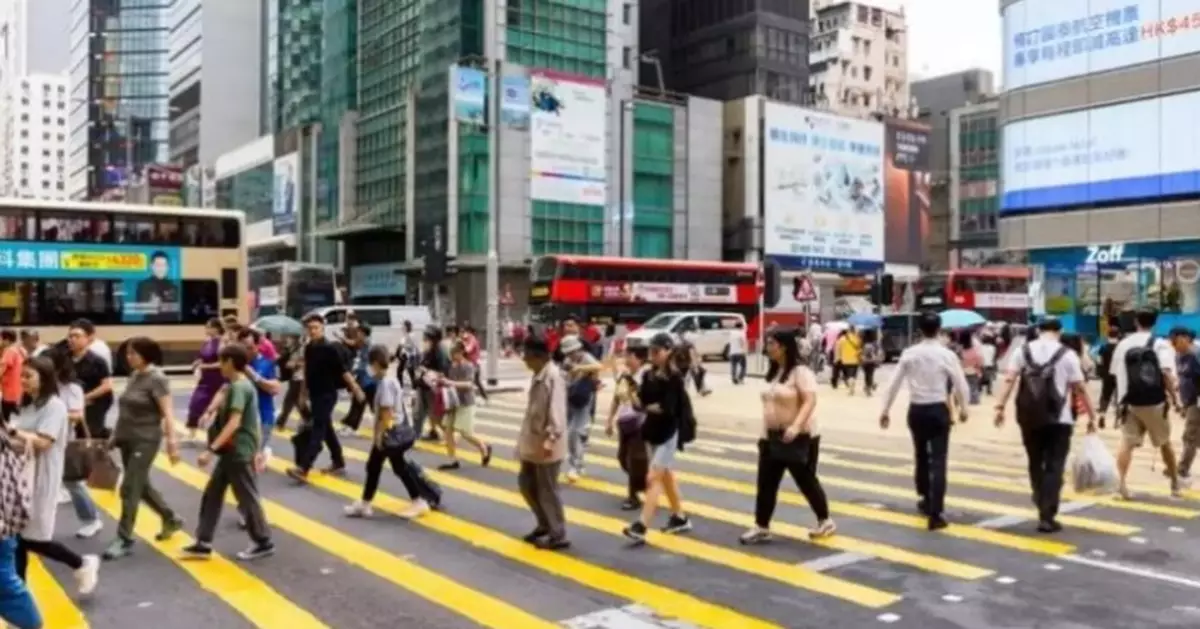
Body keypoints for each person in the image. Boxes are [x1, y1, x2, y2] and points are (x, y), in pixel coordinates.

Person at [992, 318, 1096, 533]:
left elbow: (1009, 380)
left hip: (1029, 416)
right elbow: (1080, 388)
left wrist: (1000, 407)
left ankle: (1040, 499)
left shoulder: (1022, 351)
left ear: (1038, 330)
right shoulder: (1067, 354)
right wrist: (1093, 415)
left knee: (1035, 461)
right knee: (1055, 465)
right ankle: (1047, 513)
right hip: (1060, 418)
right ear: (1059, 331)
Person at [9, 356, 100, 593]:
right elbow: (20, 440)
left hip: (42, 477)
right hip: (22, 476)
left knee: (34, 539)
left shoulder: (55, 406)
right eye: (22, 375)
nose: (23, 381)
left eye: (29, 376)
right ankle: (20, 589)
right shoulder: (29, 404)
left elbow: (43, 442)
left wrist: (12, 431)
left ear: (45, 378)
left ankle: (82, 563)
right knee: (18, 536)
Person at [741, 327, 835, 544]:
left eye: (771, 343)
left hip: (800, 436)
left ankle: (825, 520)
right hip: (771, 437)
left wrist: (795, 426)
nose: (767, 348)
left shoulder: (800, 372)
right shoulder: (775, 372)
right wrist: (764, 434)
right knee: (766, 483)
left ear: (783, 347)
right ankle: (761, 526)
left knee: (806, 481)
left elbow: (810, 400)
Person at [182, 344, 275, 561]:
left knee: (247, 498)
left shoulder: (240, 388)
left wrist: (210, 451)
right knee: (213, 494)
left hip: (237, 451)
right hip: (232, 451)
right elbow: (225, 394)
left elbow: (235, 423)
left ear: (231, 362)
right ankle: (203, 541)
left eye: (222, 361)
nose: (220, 366)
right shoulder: (234, 385)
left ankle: (263, 541)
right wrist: (210, 411)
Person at [879, 311, 969, 531]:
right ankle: (936, 513)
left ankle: (924, 498)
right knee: (939, 460)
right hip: (938, 409)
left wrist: (885, 409)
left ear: (920, 330)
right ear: (939, 329)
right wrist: (964, 408)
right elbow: (960, 383)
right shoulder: (946, 355)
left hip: (917, 410)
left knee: (920, 455)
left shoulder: (910, 353)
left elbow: (894, 383)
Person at [103, 337, 185, 560]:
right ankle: (170, 517)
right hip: (127, 438)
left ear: (146, 355)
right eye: (127, 354)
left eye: (133, 354)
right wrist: (114, 436)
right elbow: (125, 410)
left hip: (145, 439)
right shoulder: (135, 376)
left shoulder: (157, 378)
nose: (129, 358)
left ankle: (124, 538)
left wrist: (172, 442)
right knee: (142, 485)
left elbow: (167, 412)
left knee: (130, 488)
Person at [344, 345, 442, 520]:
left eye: (369, 364)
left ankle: (417, 501)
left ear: (374, 363)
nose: (368, 368)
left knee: (386, 467)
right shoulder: (388, 380)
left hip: (390, 433)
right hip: (391, 432)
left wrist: (379, 436)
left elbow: (386, 413)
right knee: (382, 467)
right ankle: (366, 503)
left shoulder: (387, 383)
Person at [622, 333, 694, 543]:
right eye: (651, 352)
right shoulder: (649, 375)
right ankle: (679, 517)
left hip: (669, 433)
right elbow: (641, 403)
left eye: (657, 351)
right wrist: (643, 402)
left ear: (668, 351)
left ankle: (641, 525)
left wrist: (648, 406)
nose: (653, 356)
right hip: (652, 431)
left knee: (653, 478)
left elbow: (668, 409)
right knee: (666, 476)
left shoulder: (674, 377)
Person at [1110, 308, 1183, 498]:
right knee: (1165, 443)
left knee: (1127, 443)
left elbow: (1114, 375)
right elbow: (1167, 374)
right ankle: (1175, 483)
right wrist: (1175, 400)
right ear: (1155, 323)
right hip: (1154, 402)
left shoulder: (1123, 344)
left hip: (1129, 401)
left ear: (1135, 322)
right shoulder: (1160, 345)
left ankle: (1121, 484)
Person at [286, 313, 365, 483]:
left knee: (318, 429)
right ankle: (338, 461)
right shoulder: (309, 348)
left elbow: (343, 371)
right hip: (315, 394)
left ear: (322, 329)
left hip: (327, 394)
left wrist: (356, 389)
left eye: (316, 328)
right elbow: (307, 371)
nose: (313, 331)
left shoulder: (330, 349)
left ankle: (304, 468)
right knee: (327, 429)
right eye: (310, 328)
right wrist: (302, 394)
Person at [515, 335, 570, 551]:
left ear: (537, 356)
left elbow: (557, 412)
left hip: (547, 444)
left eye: (526, 354)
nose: (524, 359)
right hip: (533, 443)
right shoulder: (539, 374)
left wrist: (551, 439)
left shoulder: (553, 377)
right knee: (526, 483)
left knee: (547, 489)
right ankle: (544, 524)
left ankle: (558, 533)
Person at [47, 349, 102, 540]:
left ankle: (92, 519)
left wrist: (53, 414)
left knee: (72, 483)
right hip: (42, 441)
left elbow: (77, 415)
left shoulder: (72, 388)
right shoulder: (44, 385)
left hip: (64, 441)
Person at [606, 346, 650, 510]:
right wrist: (610, 419)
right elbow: (616, 398)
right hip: (624, 422)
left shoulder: (646, 377)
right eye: (625, 356)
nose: (626, 359)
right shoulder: (624, 377)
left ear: (639, 359)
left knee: (635, 460)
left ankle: (633, 496)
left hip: (640, 423)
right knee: (622, 458)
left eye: (630, 356)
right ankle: (645, 482)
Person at [437, 342, 493, 470]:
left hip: (466, 402)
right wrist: (441, 380)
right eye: (451, 354)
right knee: (448, 430)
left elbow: (468, 384)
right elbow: (450, 382)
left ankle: (484, 447)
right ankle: (453, 460)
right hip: (453, 402)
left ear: (461, 352)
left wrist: (450, 382)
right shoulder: (452, 367)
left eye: (454, 354)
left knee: (465, 433)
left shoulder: (468, 366)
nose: (452, 357)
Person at [560, 334, 603, 482]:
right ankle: (579, 463)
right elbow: (564, 377)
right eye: (568, 353)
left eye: (572, 352)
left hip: (584, 399)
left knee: (574, 432)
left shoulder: (585, 357)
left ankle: (575, 466)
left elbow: (598, 366)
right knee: (573, 432)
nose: (571, 355)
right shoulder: (567, 361)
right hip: (571, 397)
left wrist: (580, 368)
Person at [67, 320, 113, 443]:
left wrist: (85, 397)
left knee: (90, 435)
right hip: (72, 404)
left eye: (77, 336)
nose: (72, 339)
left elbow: (106, 385)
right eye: (70, 336)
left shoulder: (97, 361)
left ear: (87, 339)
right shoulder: (65, 360)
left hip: (94, 404)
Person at [239, 329, 282, 457]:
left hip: (262, 417)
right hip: (241, 417)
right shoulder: (238, 364)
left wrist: (254, 376)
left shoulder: (268, 364)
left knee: (252, 456)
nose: (246, 351)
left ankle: (264, 453)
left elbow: (275, 389)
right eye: (243, 348)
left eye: (249, 348)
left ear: (258, 346)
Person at [186, 318, 226, 445]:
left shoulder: (222, 342)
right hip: (205, 379)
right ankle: (191, 434)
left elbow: (222, 363)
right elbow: (201, 357)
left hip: (218, 379)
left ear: (216, 328)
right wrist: (197, 362)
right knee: (195, 403)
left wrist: (205, 366)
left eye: (209, 327)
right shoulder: (207, 342)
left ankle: (219, 435)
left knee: (219, 408)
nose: (206, 329)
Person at [1171, 327, 1200, 481]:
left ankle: (1182, 468)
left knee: (1189, 436)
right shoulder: (1178, 355)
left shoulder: (1196, 355)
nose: (1174, 345)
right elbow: (1183, 377)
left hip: (1197, 401)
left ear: (1186, 339)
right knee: (1194, 438)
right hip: (1188, 401)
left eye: (1176, 341)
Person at [1095, 329, 1121, 427]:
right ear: (1118, 335)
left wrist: (1101, 371)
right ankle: (1117, 420)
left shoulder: (1104, 347)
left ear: (1108, 335)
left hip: (1107, 374)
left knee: (1105, 395)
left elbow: (1099, 360)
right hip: (1118, 374)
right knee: (1119, 396)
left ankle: (1102, 415)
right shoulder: (1120, 347)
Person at [0, 331, 23, 424]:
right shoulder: (18, 350)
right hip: (17, 392)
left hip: (9, 393)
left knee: (7, 420)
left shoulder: (9, 351)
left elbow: (1, 369)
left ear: (7, 340)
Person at [835, 327, 862, 395]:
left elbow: (838, 349)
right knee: (853, 375)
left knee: (848, 375)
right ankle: (852, 386)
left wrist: (837, 358)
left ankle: (851, 388)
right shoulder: (857, 338)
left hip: (845, 360)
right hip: (855, 359)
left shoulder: (842, 339)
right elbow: (860, 348)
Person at [859, 328, 882, 397]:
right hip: (872, 361)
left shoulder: (862, 342)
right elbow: (879, 352)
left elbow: (859, 351)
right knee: (870, 374)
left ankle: (868, 386)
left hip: (864, 361)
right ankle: (869, 386)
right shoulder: (875, 343)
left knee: (866, 375)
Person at [728, 321, 748, 385]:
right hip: (740, 352)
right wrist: (744, 350)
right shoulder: (741, 333)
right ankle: (740, 378)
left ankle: (734, 377)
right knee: (743, 366)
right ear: (741, 326)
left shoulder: (731, 333)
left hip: (732, 352)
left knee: (733, 366)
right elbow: (742, 342)